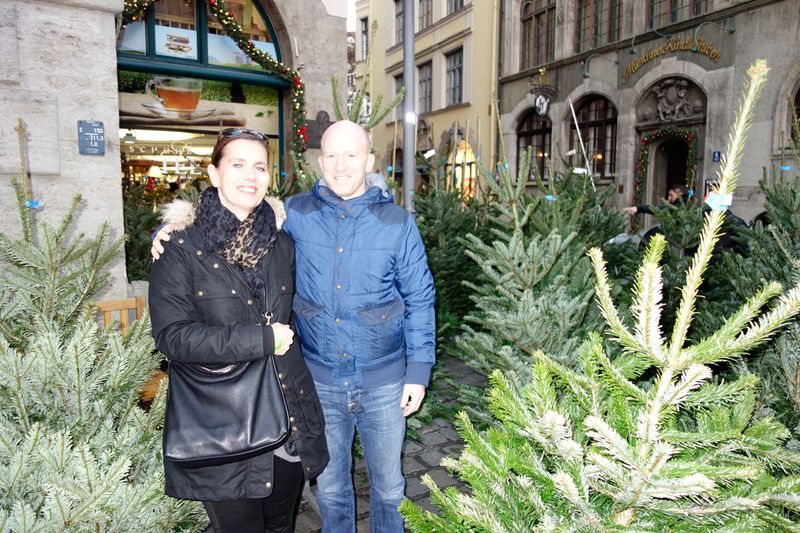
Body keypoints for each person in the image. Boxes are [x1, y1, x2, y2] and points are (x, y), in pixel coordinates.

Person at [153, 120, 436, 532]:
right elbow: (238, 216)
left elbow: (420, 299)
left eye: (352, 155)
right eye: (331, 156)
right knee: (332, 488)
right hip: (316, 382)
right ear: (320, 161)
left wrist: (418, 370)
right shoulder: (297, 215)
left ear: (369, 161)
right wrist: (172, 226)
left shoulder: (395, 223)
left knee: (390, 488)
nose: (341, 166)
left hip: (384, 380)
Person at [148, 128, 328, 533]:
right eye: (238, 164)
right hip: (223, 425)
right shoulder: (180, 247)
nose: (251, 175)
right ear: (213, 174)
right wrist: (263, 339)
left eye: (260, 166)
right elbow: (172, 337)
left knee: (282, 525)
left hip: (288, 417)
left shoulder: (282, 242)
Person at [622, 184, 689, 216]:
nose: (668, 198)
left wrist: (639, 208)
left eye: (671, 195)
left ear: (680, 194)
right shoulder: (683, 204)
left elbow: (660, 209)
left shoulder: (681, 206)